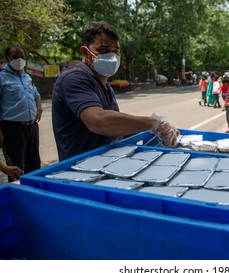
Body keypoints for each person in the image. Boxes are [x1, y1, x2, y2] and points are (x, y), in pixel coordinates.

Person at [51, 21, 179, 161]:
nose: (112, 57)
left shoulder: (105, 85)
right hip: (80, 169)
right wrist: (152, 123)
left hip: (106, 162)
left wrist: (152, 130)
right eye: (104, 50)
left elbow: (115, 128)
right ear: (85, 52)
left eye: (116, 51)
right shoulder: (74, 79)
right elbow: (98, 121)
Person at [0, 45, 42, 181]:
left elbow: (36, 94)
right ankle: (18, 195)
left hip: (32, 127)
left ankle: (34, 194)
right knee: (16, 168)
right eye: (15, 57)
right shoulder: (2, 78)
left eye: (22, 57)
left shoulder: (27, 76)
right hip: (12, 129)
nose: (19, 60)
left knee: (34, 164)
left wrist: (39, 108)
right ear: (7, 58)